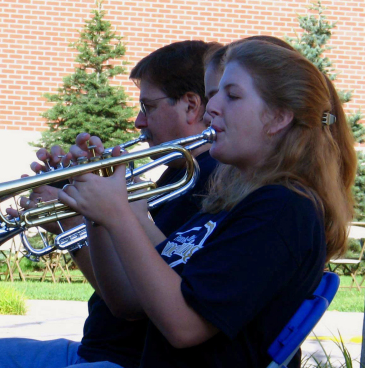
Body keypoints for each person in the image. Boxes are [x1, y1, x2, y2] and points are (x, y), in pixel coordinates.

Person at [56, 39, 356, 368]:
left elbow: (184, 326)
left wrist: (119, 216)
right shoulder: (231, 201)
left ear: (278, 118)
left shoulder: (282, 208)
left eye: (232, 95)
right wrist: (96, 216)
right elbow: (127, 302)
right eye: (214, 95)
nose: (212, 108)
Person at [0, 40, 222, 368]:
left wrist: (76, 225)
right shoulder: (171, 179)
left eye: (148, 107)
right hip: (95, 349)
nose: (138, 122)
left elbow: (131, 305)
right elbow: (118, 291)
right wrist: (80, 213)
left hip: (128, 359)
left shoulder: (209, 189)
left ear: (190, 106)